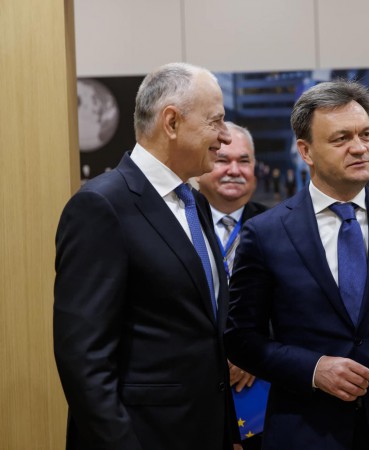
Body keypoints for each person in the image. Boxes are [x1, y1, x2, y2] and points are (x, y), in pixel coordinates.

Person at [224, 80, 369, 450]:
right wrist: (314, 370)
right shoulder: (266, 233)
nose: (359, 147)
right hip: (305, 427)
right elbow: (241, 340)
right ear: (306, 151)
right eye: (341, 139)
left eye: (366, 134)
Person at [54, 62, 242, 450]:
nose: (225, 138)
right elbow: (83, 359)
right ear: (171, 122)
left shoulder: (196, 203)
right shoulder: (101, 205)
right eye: (216, 122)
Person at [197, 122, 268, 450]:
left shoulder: (279, 228)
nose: (234, 171)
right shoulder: (180, 225)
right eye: (223, 160)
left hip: (262, 390)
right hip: (194, 387)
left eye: (245, 161)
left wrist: (249, 352)